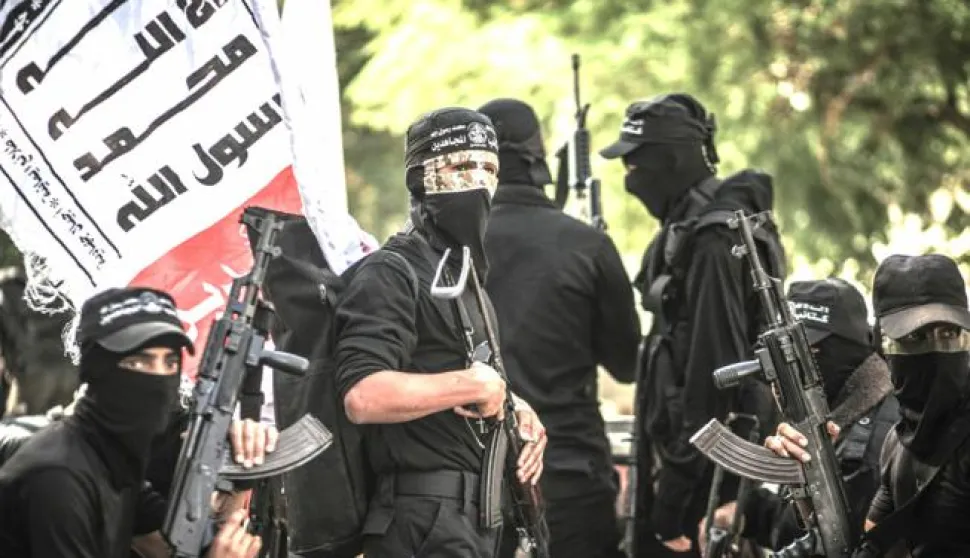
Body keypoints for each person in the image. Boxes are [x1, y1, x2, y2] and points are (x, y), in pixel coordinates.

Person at [333, 106, 548, 558]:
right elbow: (364, 396)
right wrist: (470, 385)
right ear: (420, 179)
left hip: (476, 520)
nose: (476, 182)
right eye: (458, 167)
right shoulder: (392, 272)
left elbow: (464, 377)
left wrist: (513, 406)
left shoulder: (463, 276)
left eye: (488, 168)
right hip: (419, 519)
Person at [600, 93, 785, 556]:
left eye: (636, 163)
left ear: (671, 160)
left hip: (704, 481)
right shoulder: (691, 230)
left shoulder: (714, 241)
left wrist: (673, 500)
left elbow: (714, 374)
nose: (629, 178)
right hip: (688, 461)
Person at [477, 98, 640, 558]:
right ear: (539, 155)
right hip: (570, 475)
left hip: (471, 484)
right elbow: (627, 363)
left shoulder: (444, 250)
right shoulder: (587, 245)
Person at [0, 287, 273, 558]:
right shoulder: (59, 478)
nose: (158, 379)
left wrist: (237, 473)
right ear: (97, 369)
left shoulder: (113, 458)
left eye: (169, 363)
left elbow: (168, 549)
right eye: (138, 363)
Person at [770, 254, 970, 556]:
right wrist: (812, 491)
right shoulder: (899, 445)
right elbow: (868, 548)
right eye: (915, 337)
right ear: (884, 344)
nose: (938, 348)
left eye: (949, 333)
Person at [699, 278, 899, 553]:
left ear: (849, 346)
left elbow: (840, 538)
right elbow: (803, 521)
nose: (794, 370)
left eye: (811, 352)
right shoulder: (831, 415)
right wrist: (748, 515)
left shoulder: (882, 435)